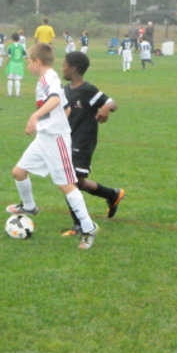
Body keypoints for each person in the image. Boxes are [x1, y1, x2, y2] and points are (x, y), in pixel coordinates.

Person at [6, 43, 98, 250]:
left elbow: (55, 99)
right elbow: (66, 108)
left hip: (56, 140)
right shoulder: (46, 78)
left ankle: (88, 228)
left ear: (38, 62)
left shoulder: (49, 78)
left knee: (66, 185)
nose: (27, 65)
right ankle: (29, 207)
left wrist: (35, 116)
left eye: (29, 62)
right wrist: (50, 122)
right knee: (19, 172)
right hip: (44, 138)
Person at [61, 51, 124, 236]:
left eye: (64, 65)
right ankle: (112, 195)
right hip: (67, 140)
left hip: (83, 141)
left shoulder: (88, 90)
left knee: (69, 181)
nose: (62, 68)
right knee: (78, 182)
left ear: (73, 69)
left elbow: (112, 102)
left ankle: (79, 224)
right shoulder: (66, 90)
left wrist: (105, 107)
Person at [3, 32, 26, 97]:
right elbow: (24, 56)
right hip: (19, 64)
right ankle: (17, 93)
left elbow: (9, 56)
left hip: (12, 64)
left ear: (12, 39)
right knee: (17, 79)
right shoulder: (21, 47)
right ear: (19, 39)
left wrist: (6, 62)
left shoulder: (10, 46)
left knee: (10, 79)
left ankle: (9, 93)